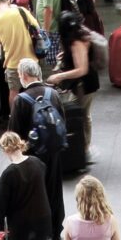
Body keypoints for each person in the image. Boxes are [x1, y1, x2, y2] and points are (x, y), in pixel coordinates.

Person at [9, 59, 65, 240]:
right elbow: (62, 121)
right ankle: (56, 229)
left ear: (24, 75)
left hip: (32, 155)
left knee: (36, 193)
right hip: (54, 151)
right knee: (54, 188)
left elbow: (14, 134)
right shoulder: (53, 94)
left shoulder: (21, 100)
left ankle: (41, 231)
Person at [46, 11, 100, 150]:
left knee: (81, 114)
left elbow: (82, 69)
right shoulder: (80, 34)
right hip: (86, 83)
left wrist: (59, 76)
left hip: (84, 85)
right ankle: (84, 146)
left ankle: (83, 148)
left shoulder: (77, 42)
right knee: (83, 113)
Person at [0, 0, 39, 110]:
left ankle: (15, 116)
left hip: (12, 62)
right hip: (31, 59)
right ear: (8, 1)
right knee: (34, 89)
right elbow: (36, 27)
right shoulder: (21, 10)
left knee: (13, 91)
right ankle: (35, 114)